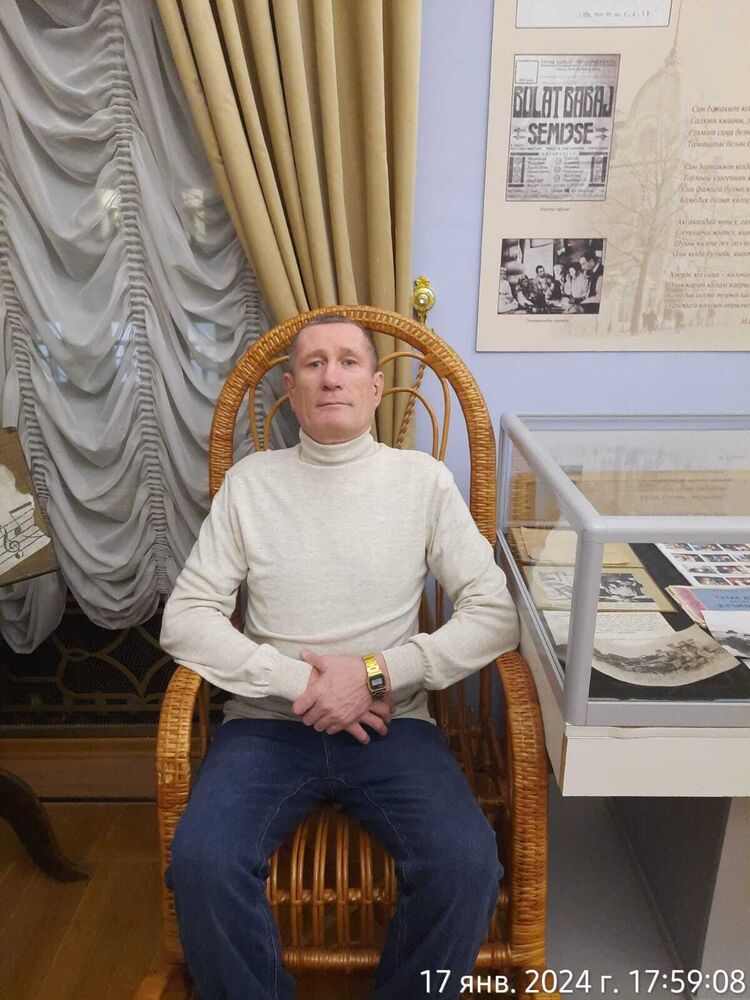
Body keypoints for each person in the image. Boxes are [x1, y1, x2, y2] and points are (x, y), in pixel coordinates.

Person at [160, 315, 520, 1000]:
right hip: (266, 727)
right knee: (203, 862)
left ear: (376, 388)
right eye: (314, 364)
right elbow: (186, 618)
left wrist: (375, 675)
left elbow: (495, 614)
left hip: (393, 725)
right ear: (291, 389)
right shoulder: (249, 484)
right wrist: (306, 683)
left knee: (466, 866)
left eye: (349, 362)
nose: (331, 377)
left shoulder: (422, 482)